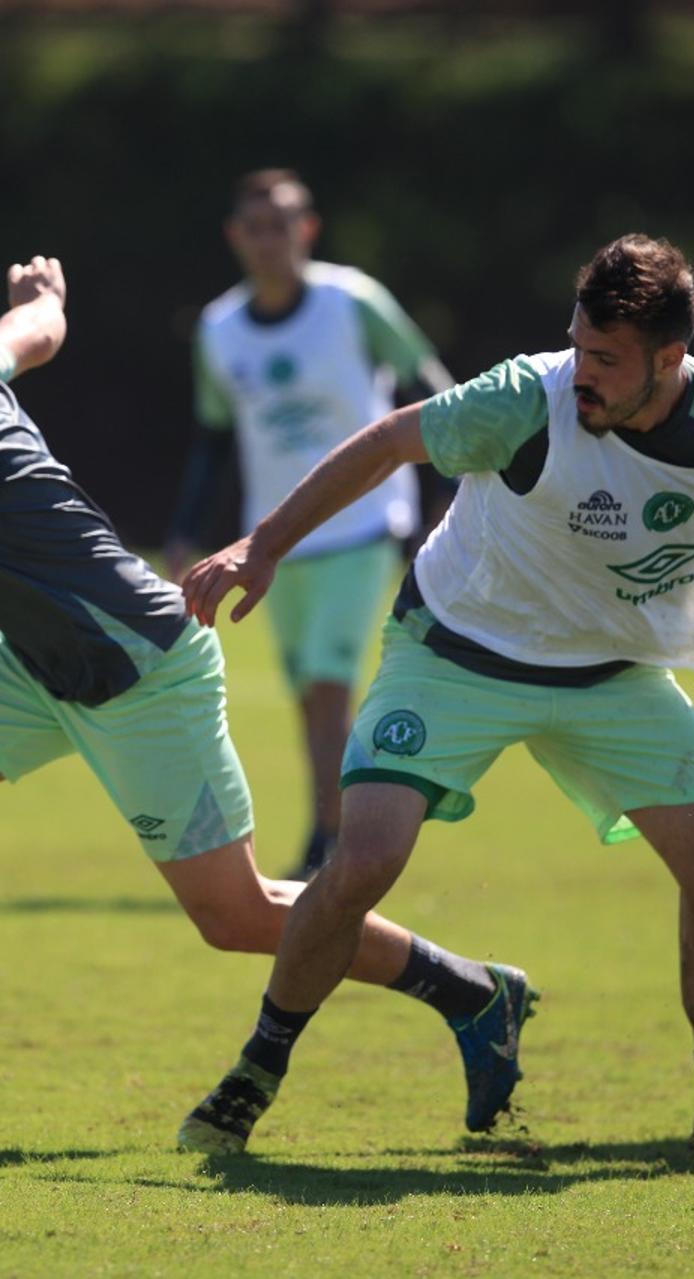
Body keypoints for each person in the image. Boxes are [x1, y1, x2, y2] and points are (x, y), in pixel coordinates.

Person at [0, 238, 529, 1136]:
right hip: (42, 659)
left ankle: (472, 991)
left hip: (141, 670)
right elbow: (31, 333)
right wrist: (43, 295)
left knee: (236, 912)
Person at [177, 235, 694, 1170]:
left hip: (608, 672)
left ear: (670, 360)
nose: (583, 374)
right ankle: (255, 1070)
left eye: (606, 360)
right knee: (363, 856)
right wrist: (265, 544)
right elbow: (388, 439)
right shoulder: (526, 396)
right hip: (457, 653)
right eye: (579, 345)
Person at [167, 170, 455, 881]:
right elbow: (211, 437)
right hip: (275, 543)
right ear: (236, 236)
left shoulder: (351, 302)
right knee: (309, 701)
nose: (271, 240)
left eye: (284, 223)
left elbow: (433, 389)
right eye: (255, 226)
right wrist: (184, 529)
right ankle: (340, 832)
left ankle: (332, 847)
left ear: (309, 229)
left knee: (330, 688)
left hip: (364, 524)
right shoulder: (220, 328)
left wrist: (461, 486)